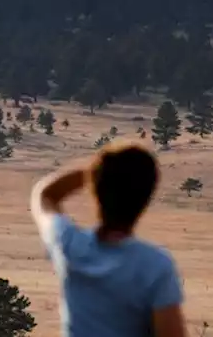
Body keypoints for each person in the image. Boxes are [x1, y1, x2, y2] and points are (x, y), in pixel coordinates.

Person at [30, 140, 188, 337]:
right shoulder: (155, 266)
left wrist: (97, 171)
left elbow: (46, 195)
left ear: (97, 192)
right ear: (146, 199)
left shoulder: (70, 245)